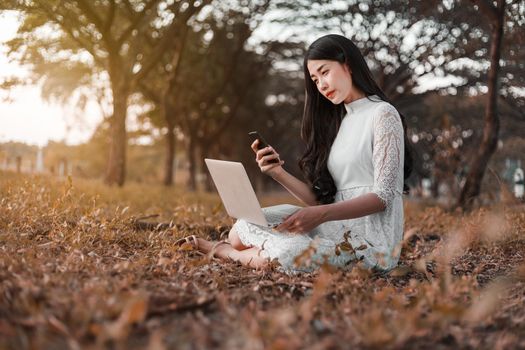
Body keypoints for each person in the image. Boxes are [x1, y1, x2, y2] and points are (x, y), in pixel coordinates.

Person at [176, 34, 412, 273]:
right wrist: (277, 172)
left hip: (369, 244)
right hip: (330, 225)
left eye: (325, 72)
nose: (321, 85)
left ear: (348, 65)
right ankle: (250, 249)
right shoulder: (339, 123)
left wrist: (320, 215)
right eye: (315, 79)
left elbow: (382, 198)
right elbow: (324, 200)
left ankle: (225, 251)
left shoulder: (383, 114)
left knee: (290, 254)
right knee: (241, 228)